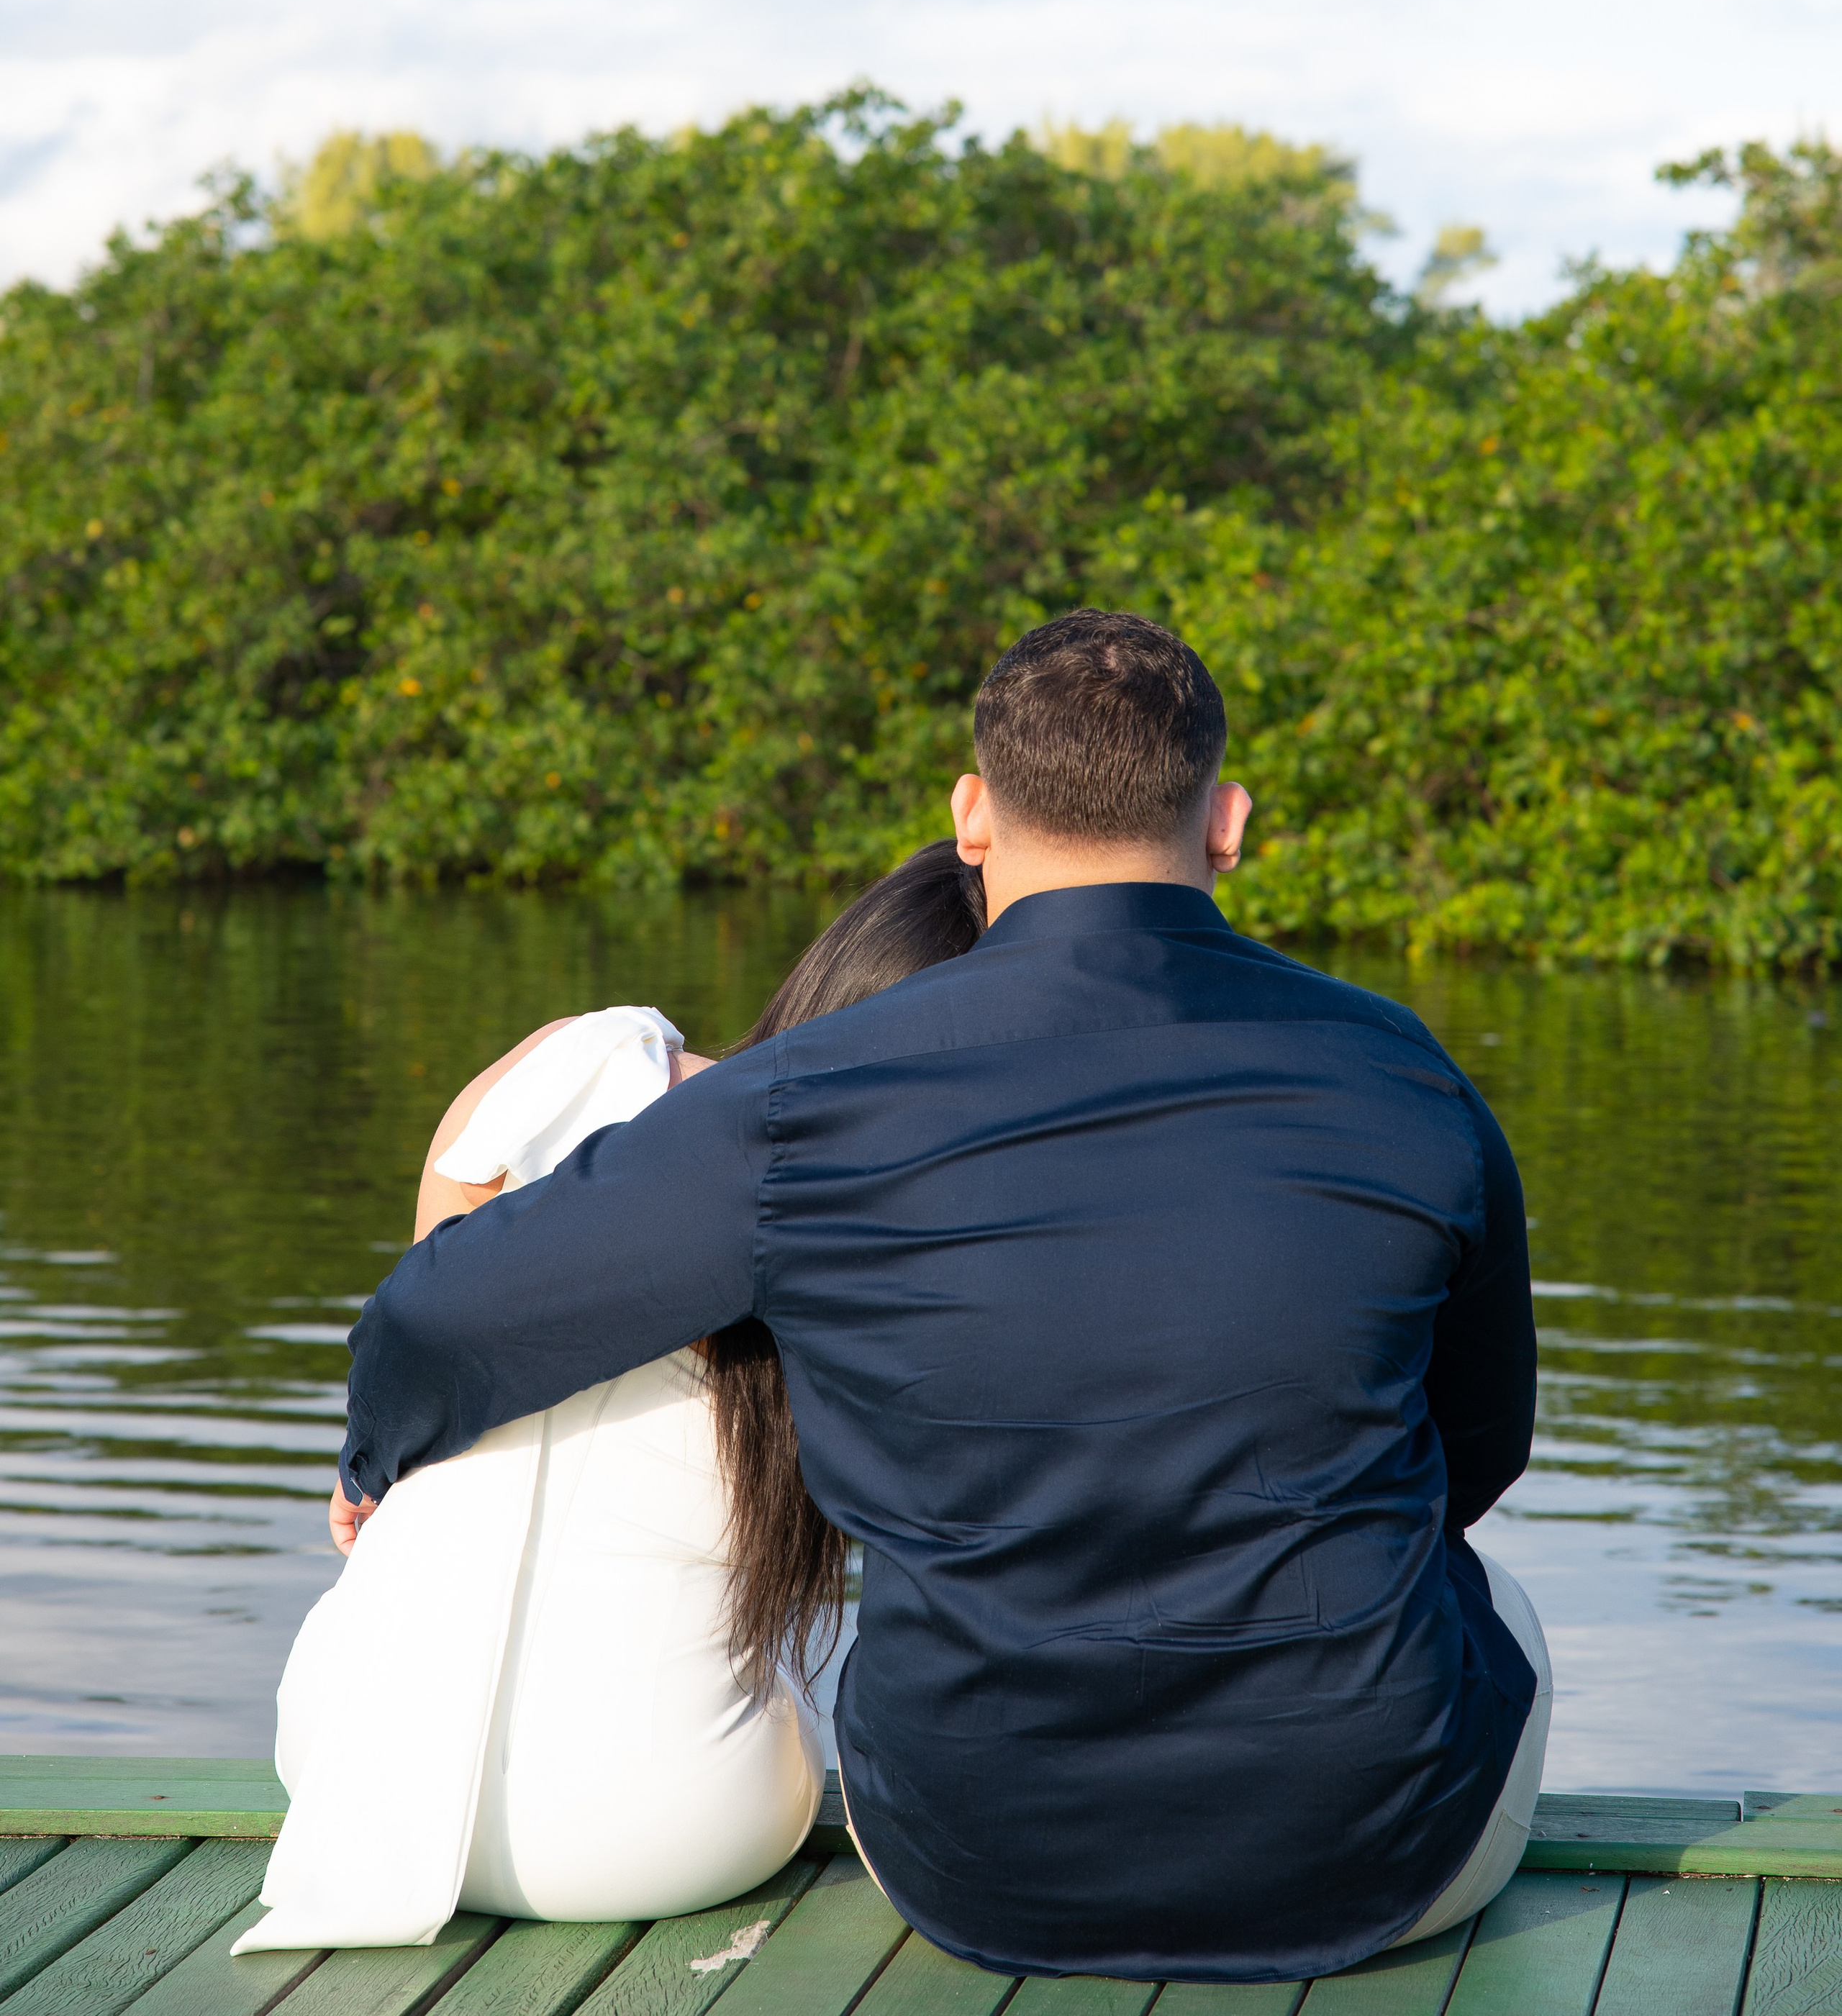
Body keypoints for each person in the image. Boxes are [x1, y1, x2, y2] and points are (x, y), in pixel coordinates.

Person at [335, 610, 1546, 1985]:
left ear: (972, 815)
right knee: (1487, 1595)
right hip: (1385, 1857)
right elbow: (1477, 1452)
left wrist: (378, 1465)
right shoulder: (1406, 1073)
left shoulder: (797, 1100)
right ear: (1227, 823)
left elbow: (438, 1316)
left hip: (980, 1862)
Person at [235, 840, 986, 1953]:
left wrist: (370, 1464)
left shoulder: (582, 1063)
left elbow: (433, 1320)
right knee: (782, 1692)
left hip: (353, 1771)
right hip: (670, 1831)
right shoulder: (915, 1230)